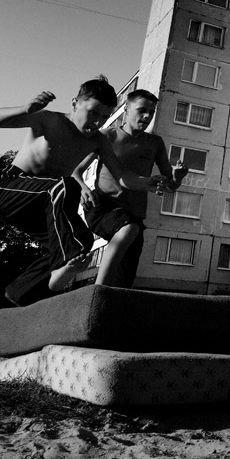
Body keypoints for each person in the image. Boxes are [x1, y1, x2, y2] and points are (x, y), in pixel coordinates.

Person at [0, 77, 164, 306]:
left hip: (40, 205)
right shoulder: (49, 119)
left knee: (81, 241)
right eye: (93, 113)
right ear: (75, 103)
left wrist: (147, 182)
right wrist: (25, 109)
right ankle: (62, 263)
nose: (97, 122)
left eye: (105, 117)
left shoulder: (98, 140)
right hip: (11, 188)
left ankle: (19, 292)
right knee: (65, 186)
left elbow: (122, 176)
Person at [73, 89, 188, 288]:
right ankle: (97, 290)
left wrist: (177, 178)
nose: (147, 116)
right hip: (103, 206)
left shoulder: (155, 143)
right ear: (126, 109)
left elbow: (169, 185)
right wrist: (83, 187)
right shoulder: (107, 136)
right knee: (128, 227)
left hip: (134, 214)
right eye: (142, 110)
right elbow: (76, 170)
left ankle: (109, 295)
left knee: (123, 280)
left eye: (151, 112)